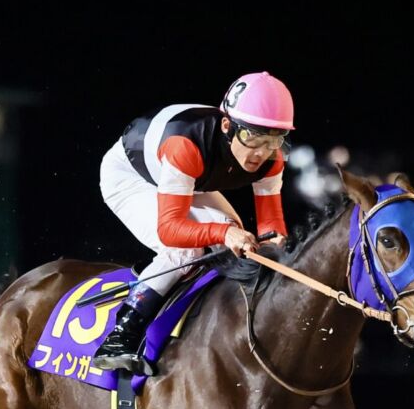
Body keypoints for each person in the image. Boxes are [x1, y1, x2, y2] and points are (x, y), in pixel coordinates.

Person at [92, 72, 294, 374]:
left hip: (188, 176)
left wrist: (277, 248)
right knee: (186, 250)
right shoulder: (186, 145)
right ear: (227, 126)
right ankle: (120, 337)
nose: (261, 153)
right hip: (132, 177)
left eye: (273, 140)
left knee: (234, 239)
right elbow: (170, 229)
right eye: (252, 138)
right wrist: (225, 233)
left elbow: (271, 228)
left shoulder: (273, 158)